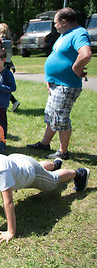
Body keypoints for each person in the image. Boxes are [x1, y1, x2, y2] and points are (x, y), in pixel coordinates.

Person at [0, 150, 90, 244]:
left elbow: (9, 202)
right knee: (39, 167)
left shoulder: (0, 172)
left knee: (52, 181)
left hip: (29, 173)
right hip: (18, 162)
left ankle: (80, 173)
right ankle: (55, 163)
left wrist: (11, 232)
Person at [27, 8, 92, 160]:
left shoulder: (79, 33)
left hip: (66, 85)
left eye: (55, 22)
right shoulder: (64, 35)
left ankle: (63, 152)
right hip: (56, 84)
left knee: (61, 119)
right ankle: (45, 143)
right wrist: (50, 78)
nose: (54, 26)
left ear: (63, 22)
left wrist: (76, 68)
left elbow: (86, 54)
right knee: (51, 115)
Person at [0, 23, 20, 112]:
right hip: (6, 64)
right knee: (5, 85)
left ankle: (10, 102)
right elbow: (8, 55)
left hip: (0, 65)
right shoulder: (9, 41)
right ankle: (13, 101)